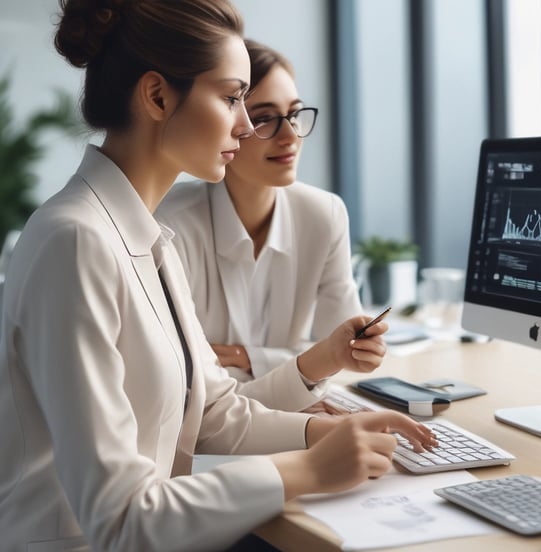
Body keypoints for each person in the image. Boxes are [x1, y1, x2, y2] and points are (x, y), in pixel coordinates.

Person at [0, 2, 435, 550]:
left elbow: (212, 413)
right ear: (157, 96)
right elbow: (119, 520)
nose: (247, 124)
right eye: (232, 98)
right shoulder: (75, 242)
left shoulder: (146, 236)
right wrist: (304, 471)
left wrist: (323, 432)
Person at [156, 40, 364, 411]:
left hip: (280, 417)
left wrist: (246, 357)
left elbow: (344, 352)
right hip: (203, 435)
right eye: (265, 117)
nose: (290, 136)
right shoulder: (169, 225)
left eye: (295, 114)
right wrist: (303, 365)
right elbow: (185, 382)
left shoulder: (324, 214)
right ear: (229, 123)